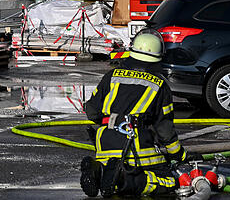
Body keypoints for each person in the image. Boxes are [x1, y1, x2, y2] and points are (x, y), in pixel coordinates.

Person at [80, 29, 187, 198]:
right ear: (158, 57)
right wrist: (179, 154)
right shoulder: (160, 84)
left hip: (105, 142)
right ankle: (123, 179)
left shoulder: (111, 75)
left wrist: (111, 121)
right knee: (169, 180)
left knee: (110, 171)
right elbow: (164, 128)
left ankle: (99, 170)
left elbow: (92, 111)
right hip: (135, 145)